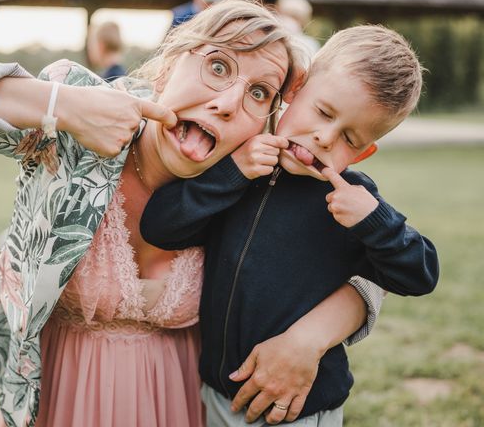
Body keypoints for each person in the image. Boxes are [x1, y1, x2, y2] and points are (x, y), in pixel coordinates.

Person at [0, 0, 384, 427]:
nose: (227, 104)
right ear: (169, 63)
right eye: (218, 65)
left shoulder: (247, 175)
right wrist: (60, 106)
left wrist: (307, 341)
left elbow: (374, 262)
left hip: (179, 405)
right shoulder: (76, 124)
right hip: (55, 400)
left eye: (258, 93)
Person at [141, 25, 440, 426]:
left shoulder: (353, 201)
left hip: (295, 407)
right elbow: (160, 227)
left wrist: (376, 221)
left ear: (365, 153)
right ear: (296, 90)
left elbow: (419, 275)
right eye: (323, 113)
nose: (323, 137)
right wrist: (233, 173)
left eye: (349, 139)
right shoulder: (241, 163)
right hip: (215, 391)